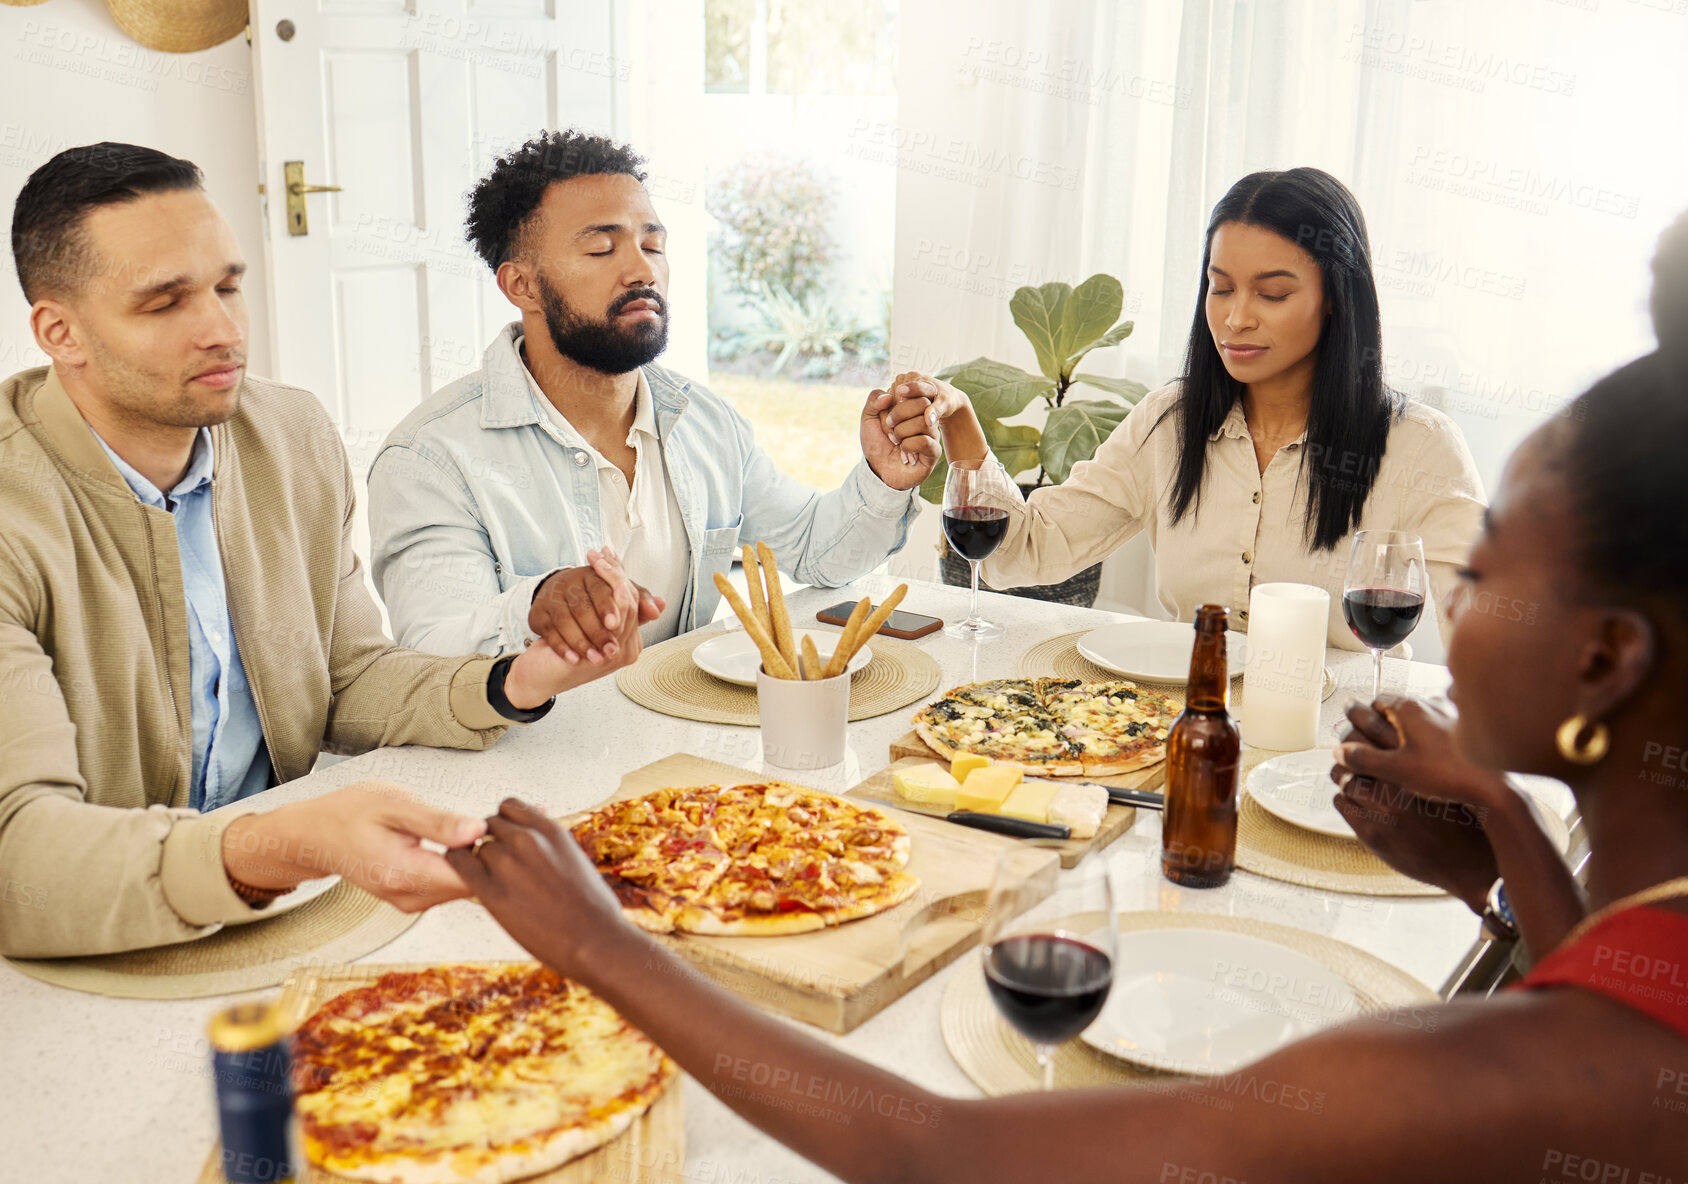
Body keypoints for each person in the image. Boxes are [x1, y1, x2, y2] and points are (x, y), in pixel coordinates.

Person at [441, 231, 1688, 1181]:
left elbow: (940, 1150)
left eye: (1477, 575)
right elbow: (1604, 970)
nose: (1447, 612)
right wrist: (1497, 852)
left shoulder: (1512, 1075)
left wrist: (599, 941)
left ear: (1603, 659)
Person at [0, 144, 623, 958]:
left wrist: (514, 680)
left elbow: (350, 678)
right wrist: (279, 843)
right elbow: (19, 863)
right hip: (89, 948)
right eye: (165, 303)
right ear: (60, 333)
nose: (223, 330)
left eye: (228, 286)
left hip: (279, 906)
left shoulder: (289, 435)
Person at [366, 130, 939, 664]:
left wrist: (884, 479)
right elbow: (432, 661)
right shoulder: (431, 459)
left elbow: (820, 553)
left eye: (653, 244)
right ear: (523, 285)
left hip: (678, 742)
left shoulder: (704, 422)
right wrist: (536, 603)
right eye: (601, 250)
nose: (642, 269)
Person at [890, 168, 1485, 652]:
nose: (1236, 317)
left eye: (1272, 294)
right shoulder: (1168, 424)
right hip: (1183, 727)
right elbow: (1025, 552)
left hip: (1333, 755)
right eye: (1220, 286)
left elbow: (1485, 643)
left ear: (1337, 298)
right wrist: (962, 422)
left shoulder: (1418, 448)